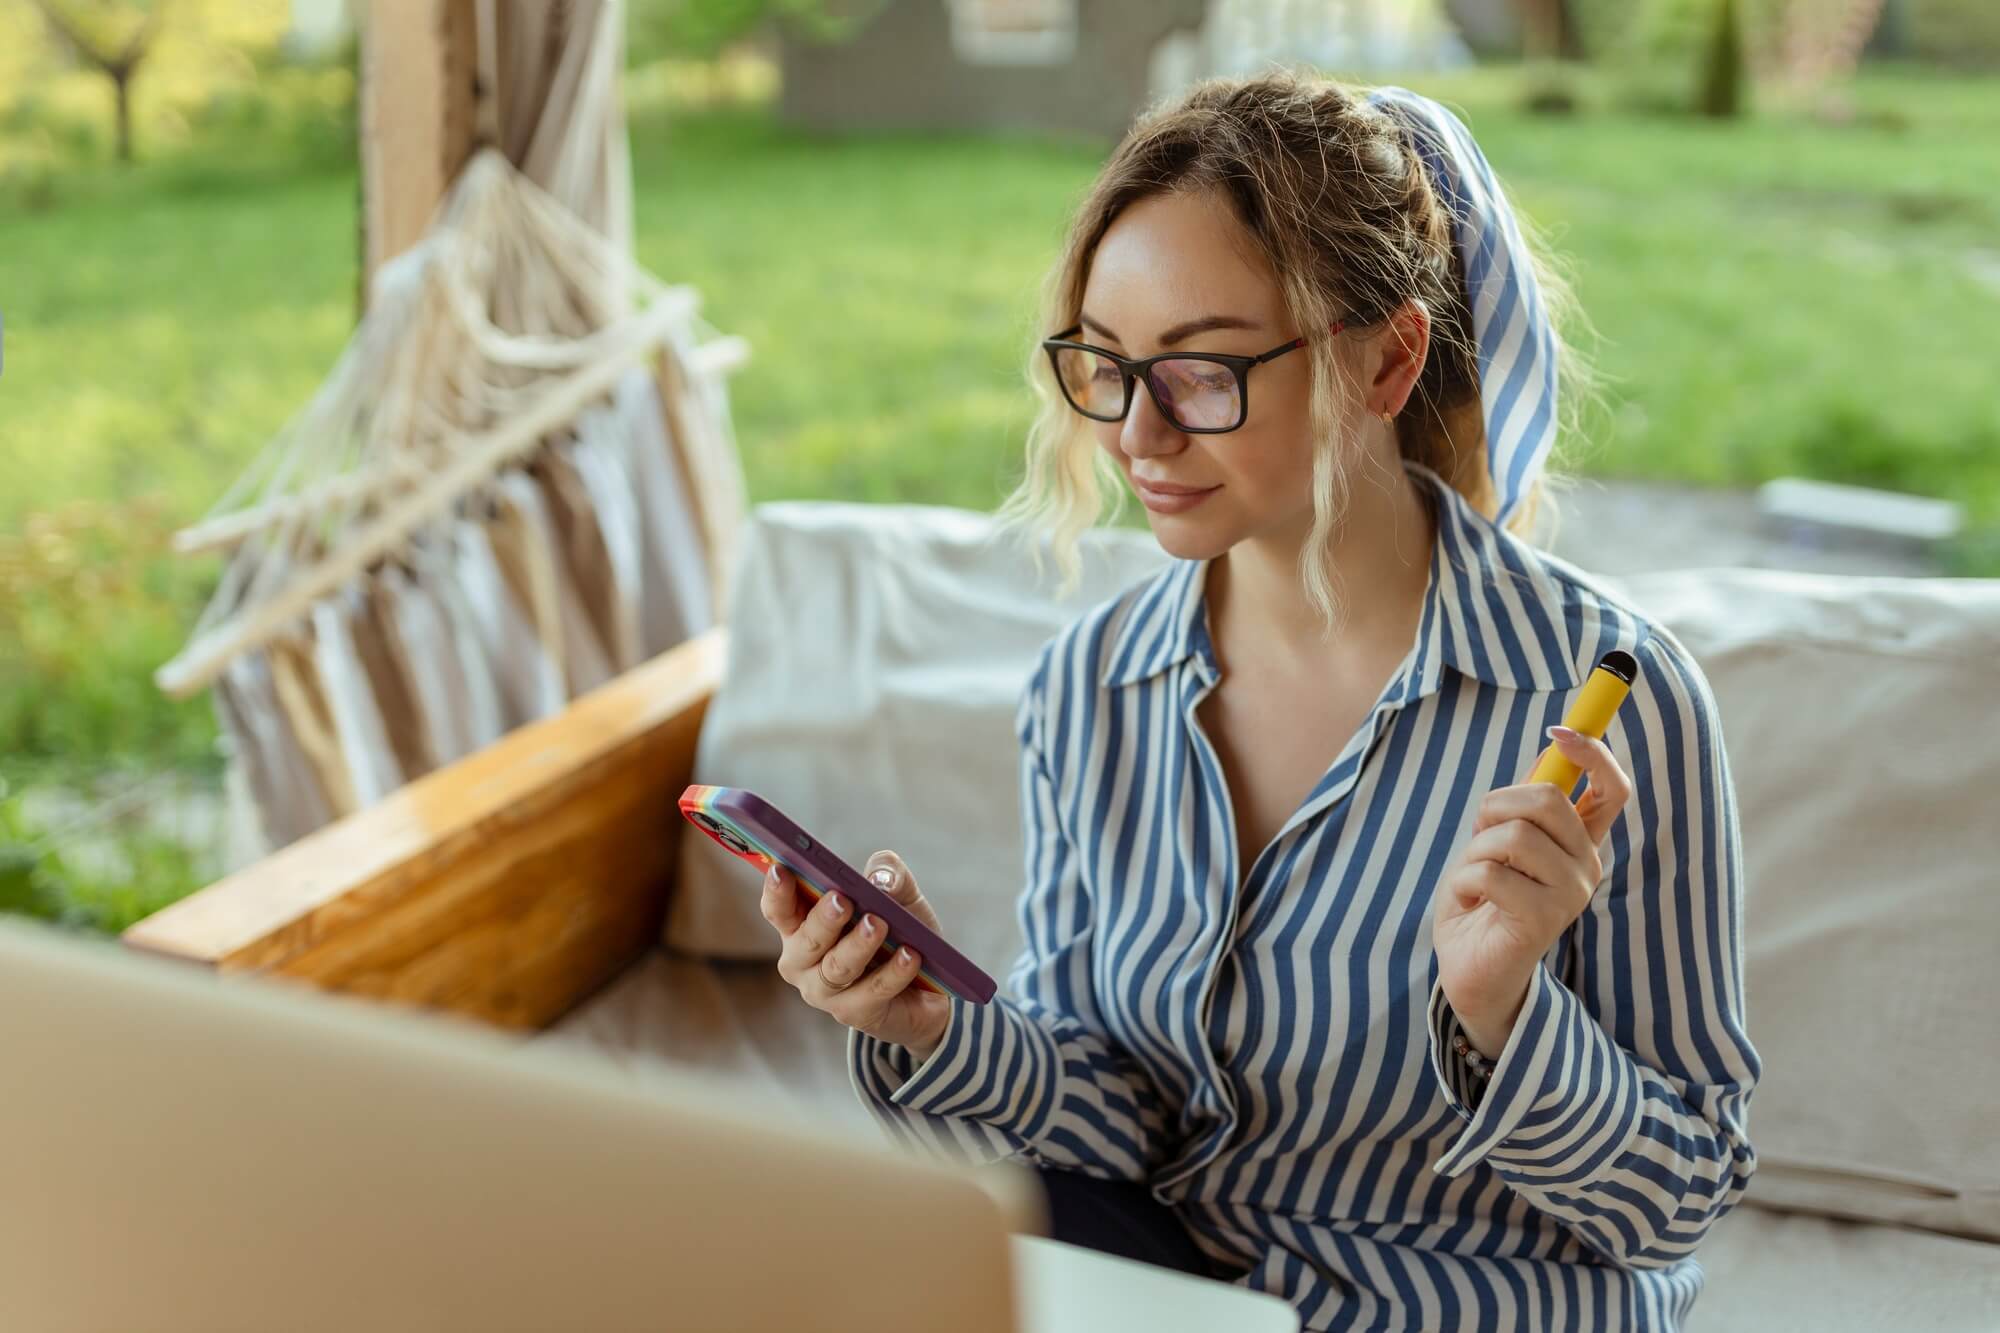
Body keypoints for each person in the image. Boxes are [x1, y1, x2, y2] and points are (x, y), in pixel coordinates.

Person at [758, 71, 1760, 1332]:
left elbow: (1679, 1199)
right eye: (1105, 368)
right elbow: (1115, 1119)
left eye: (1200, 372)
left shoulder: (1609, 699)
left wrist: (1505, 1012)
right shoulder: (1089, 689)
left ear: (1388, 359)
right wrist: (938, 1027)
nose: (1136, 437)